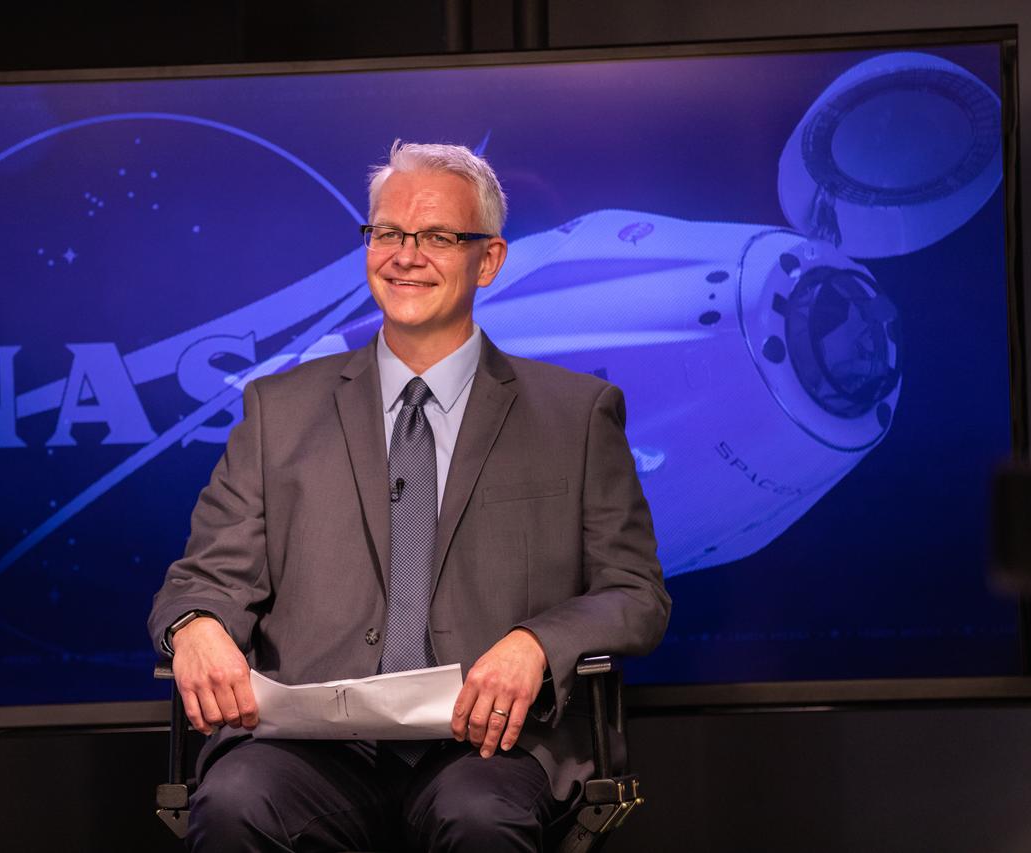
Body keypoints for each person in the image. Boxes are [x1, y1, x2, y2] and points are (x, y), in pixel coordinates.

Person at [148, 140, 670, 851]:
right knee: (238, 800)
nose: (405, 254)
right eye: (388, 233)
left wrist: (538, 642)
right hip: (312, 747)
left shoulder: (576, 415)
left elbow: (634, 592)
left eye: (436, 237)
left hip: (487, 747)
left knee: (478, 819)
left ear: (488, 260)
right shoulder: (279, 409)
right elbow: (202, 580)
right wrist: (196, 626)